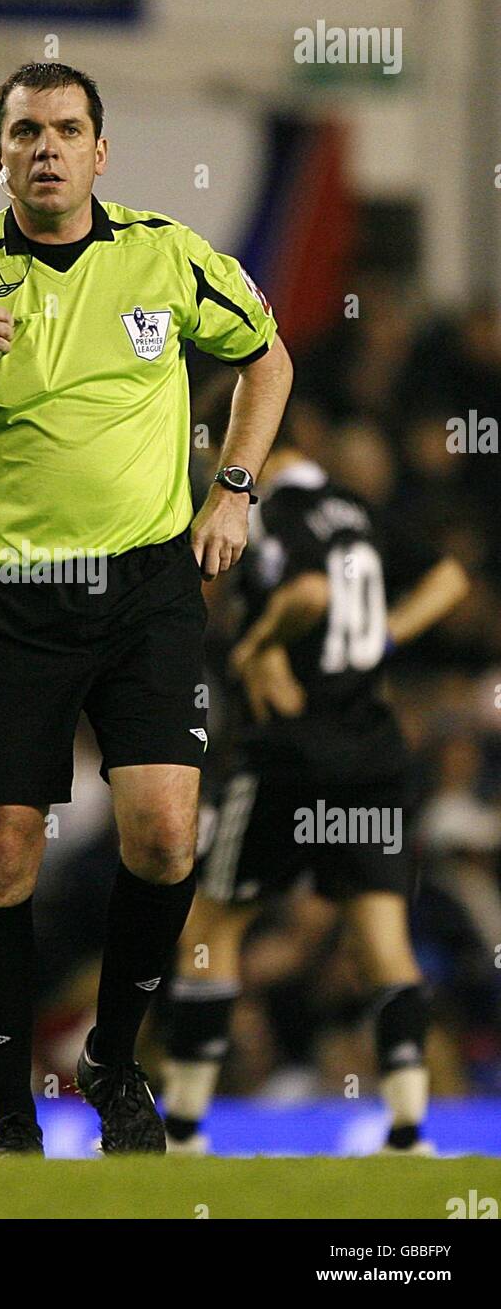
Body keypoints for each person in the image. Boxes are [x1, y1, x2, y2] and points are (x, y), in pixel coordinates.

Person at [0, 62, 292, 1154]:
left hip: (145, 582)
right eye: (24, 131)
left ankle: (112, 1060)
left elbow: (267, 360)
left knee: (168, 834)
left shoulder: (165, 255)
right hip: (4, 594)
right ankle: (10, 1121)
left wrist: (234, 488)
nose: (46, 148)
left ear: (99, 153)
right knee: (0, 857)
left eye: (67, 130)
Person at [162, 425, 469, 1154]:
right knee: (382, 943)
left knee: (211, 930)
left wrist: (258, 642)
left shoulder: (269, 513)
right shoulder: (353, 510)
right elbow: (450, 578)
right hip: (371, 755)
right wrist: (386, 638)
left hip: (287, 754)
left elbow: (305, 591)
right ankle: (405, 1131)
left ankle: (182, 1130)